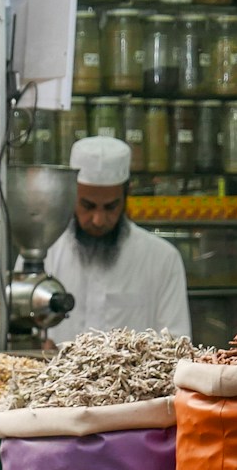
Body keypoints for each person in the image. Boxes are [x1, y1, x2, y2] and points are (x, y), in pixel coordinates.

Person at [43, 135, 192, 343]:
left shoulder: (162, 259)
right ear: (72, 194)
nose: (98, 220)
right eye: (88, 206)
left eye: (110, 207)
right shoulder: (45, 252)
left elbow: (177, 345)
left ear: (126, 196)